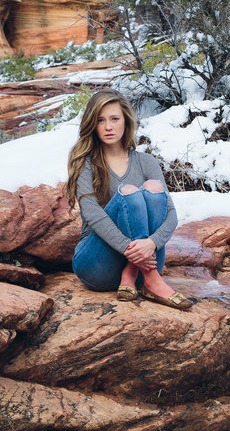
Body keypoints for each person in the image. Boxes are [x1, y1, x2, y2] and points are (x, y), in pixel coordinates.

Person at [67, 89, 191, 309]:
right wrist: (131, 250)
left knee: (153, 189)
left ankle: (133, 273)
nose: (108, 127)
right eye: (100, 120)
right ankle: (150, 278)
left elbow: (171, 214)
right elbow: (91, 213)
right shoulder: (84, 162)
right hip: (97, 264)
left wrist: (151, 243)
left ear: (126, 121)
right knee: (130, 193)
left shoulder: (146, 162)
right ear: (92, 125)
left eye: (115, 119)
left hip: (147, 260)